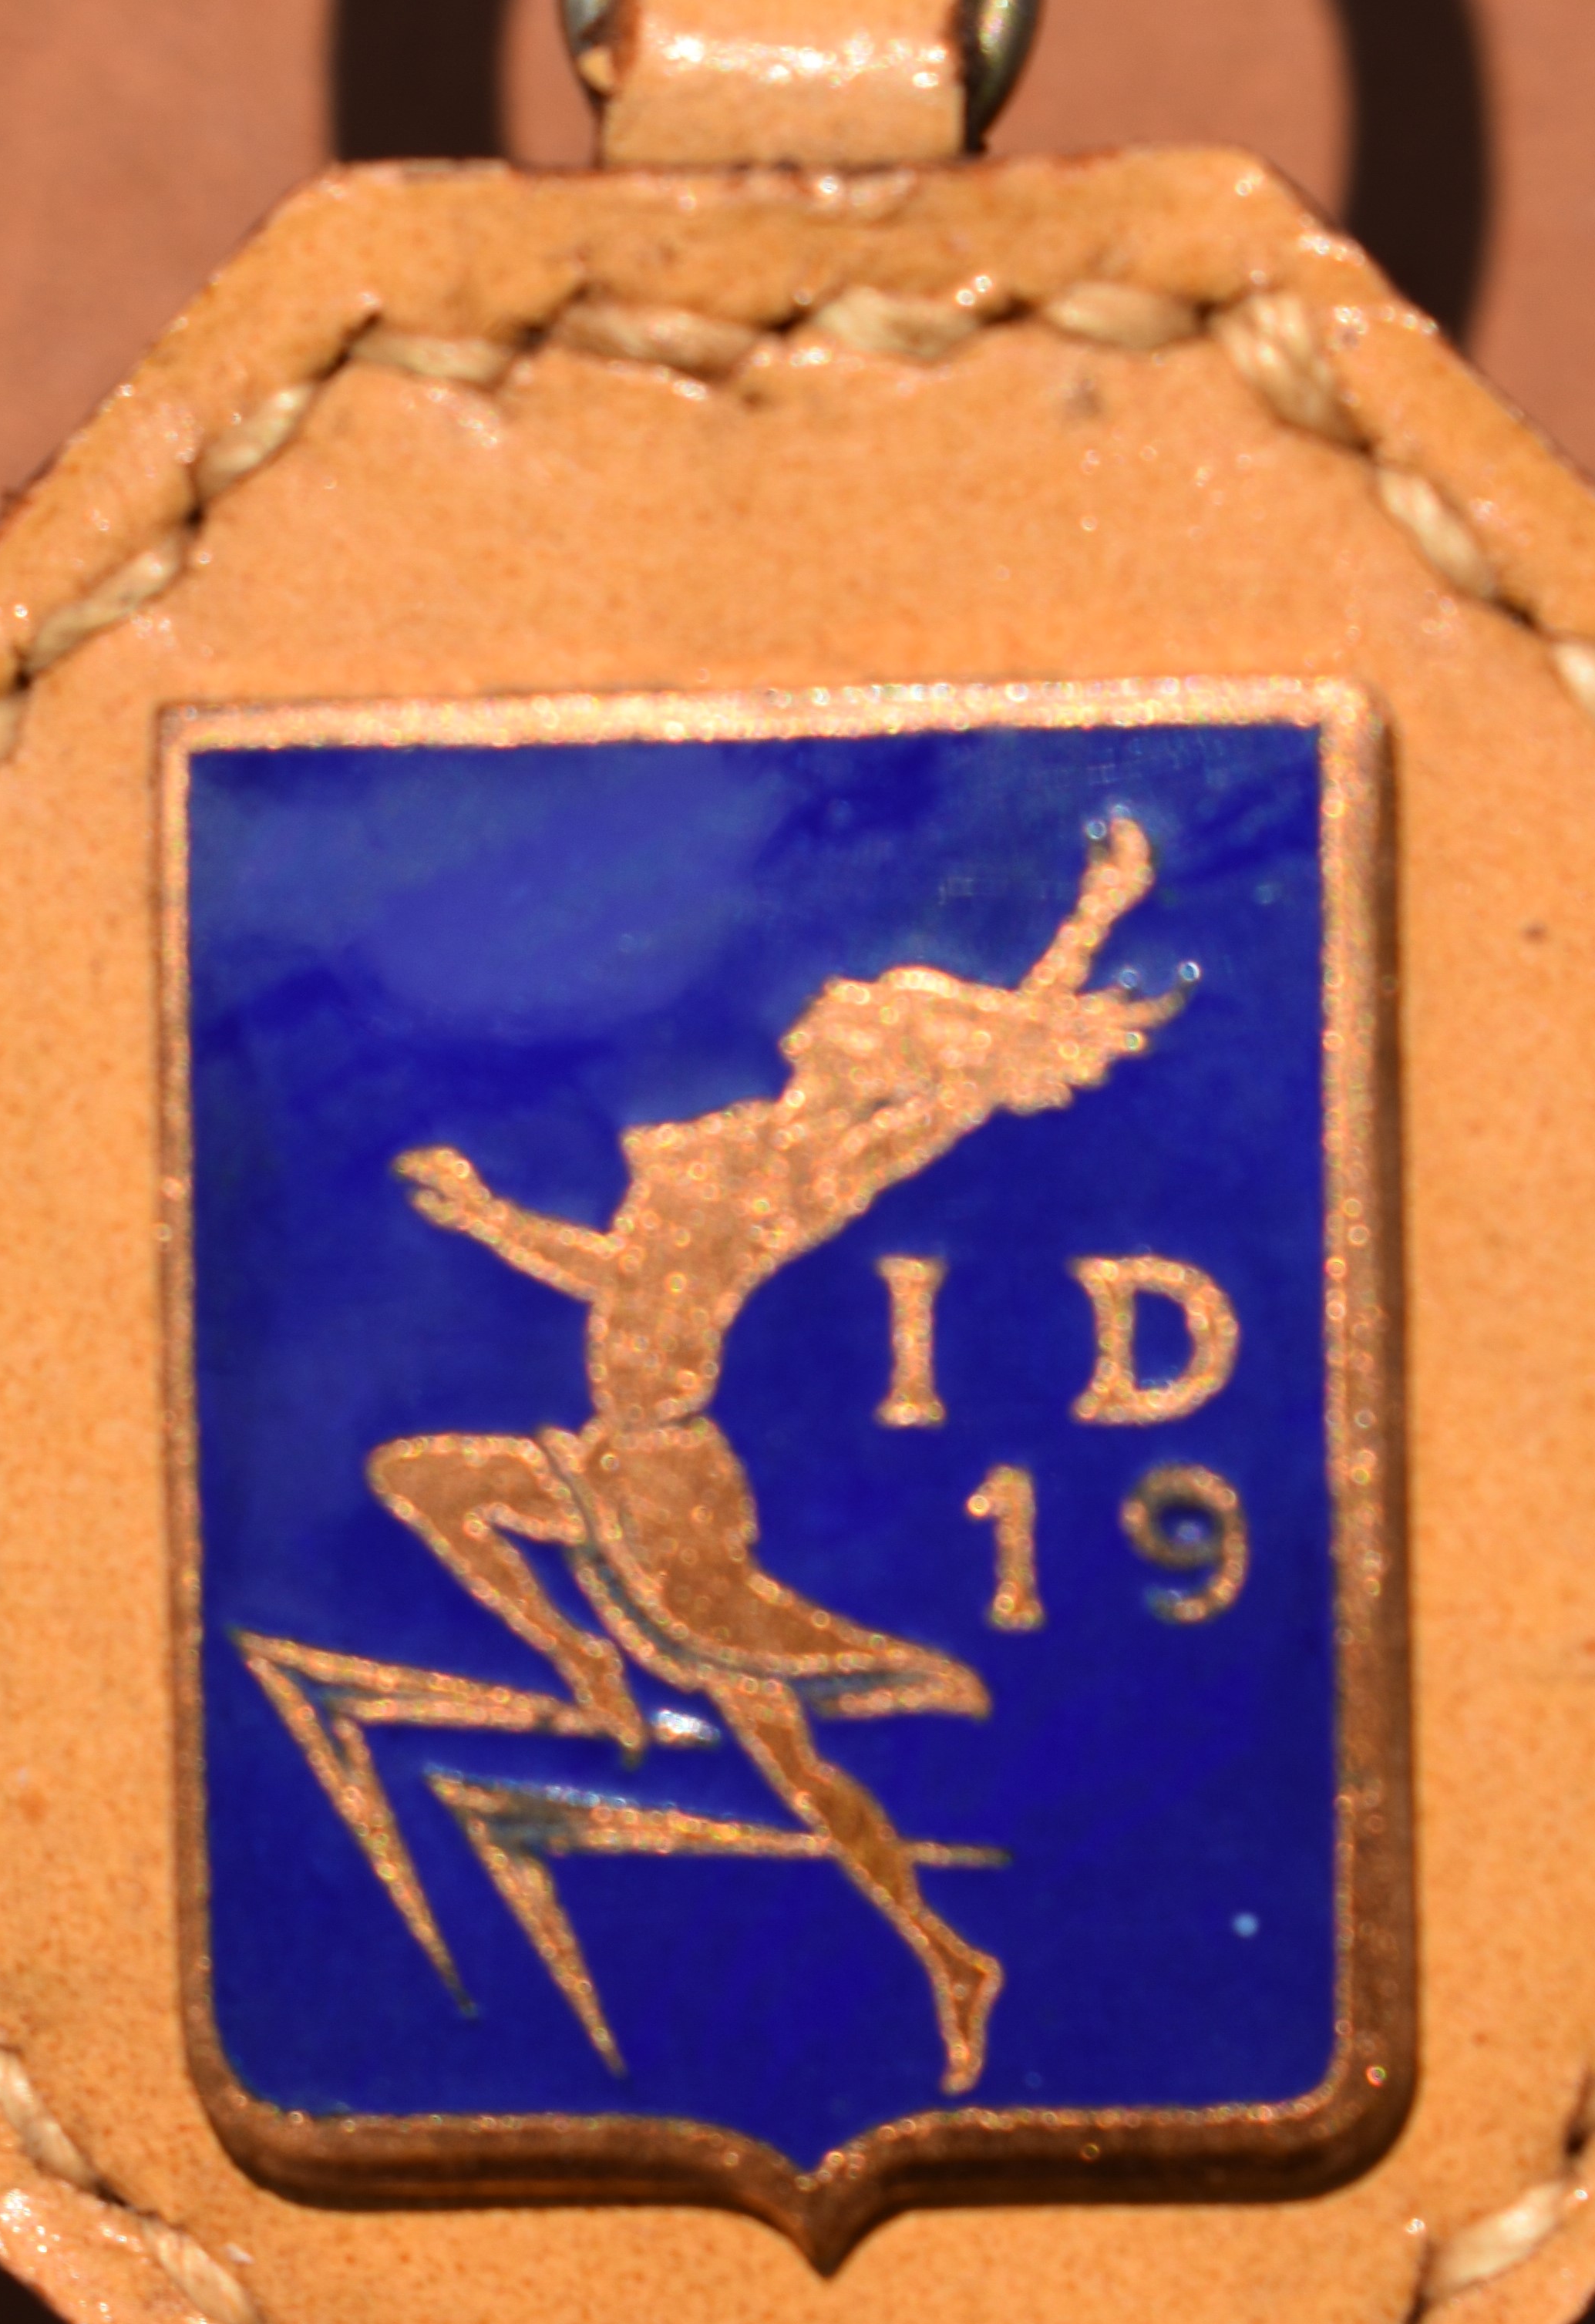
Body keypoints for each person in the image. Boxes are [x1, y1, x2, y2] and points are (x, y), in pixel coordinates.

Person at [372, 812, 1175, 2092]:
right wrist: (485, 1217)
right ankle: (946, 1952)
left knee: (769, 1740)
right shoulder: (737, 1136)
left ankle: (599, 1675)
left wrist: (1093, 915)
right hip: (624, 1454)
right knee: (773, 1745)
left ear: (871, 1052)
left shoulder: (822, 1169)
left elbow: (987, 1076)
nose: (832, 993)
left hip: (661, 1480)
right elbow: (620, 1275)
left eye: (860, 1003)